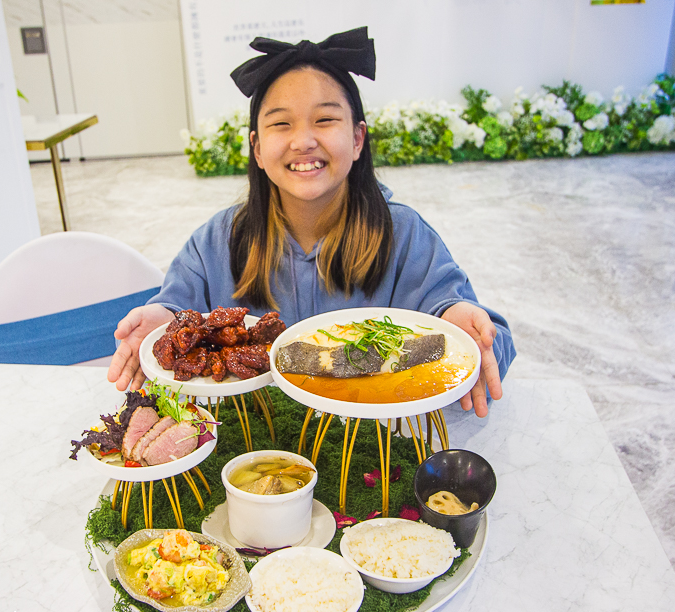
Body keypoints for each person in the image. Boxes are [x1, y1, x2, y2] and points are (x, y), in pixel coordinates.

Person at [108, 27, 516, 417]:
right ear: (258, 148)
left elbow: (484, 337)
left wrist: (466, 330)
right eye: (281, 123)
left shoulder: (404, 235)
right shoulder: (217, 240)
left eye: (324, 120)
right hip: (253, 442)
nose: (303, 140)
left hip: (374, 440)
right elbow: (179, 311)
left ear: (357, 139)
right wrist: (162, 321)